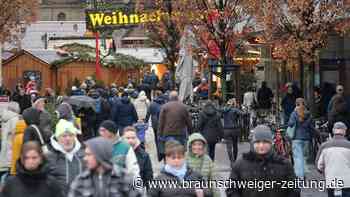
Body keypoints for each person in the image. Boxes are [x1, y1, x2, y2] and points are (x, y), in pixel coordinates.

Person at [226, 125, 300, 197]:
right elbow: (232, 190)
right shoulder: (240, 164)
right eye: (258, 142)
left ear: (271, 143)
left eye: (265, 142)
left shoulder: (284, 164)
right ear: (252, 143)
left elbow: (294, 190)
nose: (261, 146)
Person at [68, 137, 141, 197]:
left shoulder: (126, 178)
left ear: (100, 156)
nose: (85, 158)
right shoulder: (80, 181)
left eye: (89, 155)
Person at [46, 119, 85, 194]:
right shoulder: (49, 158)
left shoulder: (83, 155)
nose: (68, 139)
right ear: (57, 138)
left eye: (71, 135)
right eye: (64, 136)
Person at [316, 122, 350, 197]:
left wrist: (324, 172)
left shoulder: (324, 146)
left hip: (331, 181)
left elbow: (319, 166)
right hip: (347, 182)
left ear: (333, 131)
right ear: (345, 131)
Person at [158, 91, 192, 159]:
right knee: (180, 151)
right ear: (177, 97)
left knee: (169, 151)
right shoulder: (183, 107)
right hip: (180, 133)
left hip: (168, 133)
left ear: (169, 98)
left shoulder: (165, 107)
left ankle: (168, 164)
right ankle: (179, 163)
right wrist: (190, 132)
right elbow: (188, 121)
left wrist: (160, 133)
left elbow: (161, 122)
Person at [288, 98, 314, 179]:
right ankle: (303, 173)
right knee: (303, 158)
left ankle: (300, 176)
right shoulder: (309, 114)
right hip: (306, 139)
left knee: (298, 158)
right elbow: (309, 126)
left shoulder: (294, 113)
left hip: (296, 138)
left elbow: (291, 124)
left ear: (296, 104)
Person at [145, 91, 166, 160]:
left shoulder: (152, 104)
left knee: (157, 139)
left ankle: (159, 153)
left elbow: (148, 113)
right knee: (163, 137)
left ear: (156, 96)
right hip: (163, 124)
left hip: (155, 124)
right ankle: (164, 151)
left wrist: (146, 121)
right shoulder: (165, 103)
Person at [0, 103, 20, 174]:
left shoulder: (4, 118)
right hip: (11, 148)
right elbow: (15, 133)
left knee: (4, 170)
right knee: (10, 170)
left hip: (4, 145)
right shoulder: (15, 118)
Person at [222, 98, 242, 163]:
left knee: (229, 147)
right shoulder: (235, 109)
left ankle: (232, 161)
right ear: (233, 104)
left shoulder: (224, 110)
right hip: (234, 130)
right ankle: (235, 160)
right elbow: (243, 113)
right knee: (235, 145)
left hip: (226, 130)